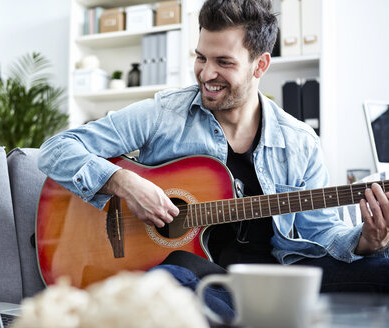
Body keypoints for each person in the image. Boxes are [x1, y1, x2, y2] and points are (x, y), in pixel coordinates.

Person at [39, 0, 389, 321]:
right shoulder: (163, 113)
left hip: (271, 278)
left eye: (224, 62)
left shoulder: (300, 142)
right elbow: (57, 148)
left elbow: (321, 232)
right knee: (165, 286)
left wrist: (364, 242)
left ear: (260, 65)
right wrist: (123, 182)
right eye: (201, 57)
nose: (207, 73)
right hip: (190, 275)